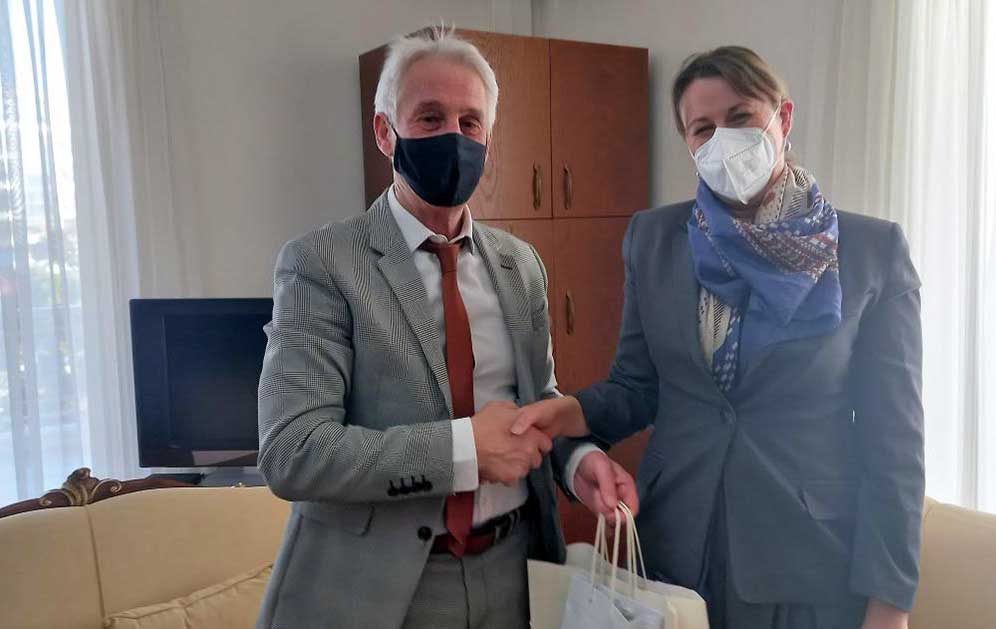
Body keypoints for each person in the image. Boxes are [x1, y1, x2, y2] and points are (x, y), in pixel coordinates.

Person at [514, 46, 925, 629]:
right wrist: (570, 415)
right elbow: (637, 386)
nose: (722, 140)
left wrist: (890, 602)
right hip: (678, 542)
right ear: (687, 141)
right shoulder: (655, 238)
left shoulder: (870, 251)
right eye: (702, 128)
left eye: (740, 117)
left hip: (805, 559)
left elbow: (896, 443)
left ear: (782, 118)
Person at [255, 26, 635, 629]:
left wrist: (576, 459)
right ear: (386, 132)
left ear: (488, 137)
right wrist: (465, 451)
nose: (453, 138)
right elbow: (293, 450)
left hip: (514, 571)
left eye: (470, 122)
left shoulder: (520, 265)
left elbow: (536, 403)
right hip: (378, 589)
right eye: (430, 118)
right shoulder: (322, 263)